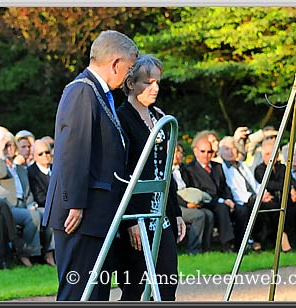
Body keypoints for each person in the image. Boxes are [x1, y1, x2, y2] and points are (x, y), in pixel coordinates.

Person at [42, 30, 139, 301]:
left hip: (94, 213)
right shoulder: (82, 91)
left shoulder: (97, 92)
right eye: (129, 67)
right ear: (116, 63)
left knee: (95, 293)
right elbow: (74, 148)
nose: (129, 75)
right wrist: (75, 202)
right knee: (79, 293)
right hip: (80, 214)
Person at [115, 54, 186, 301]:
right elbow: (122, 172)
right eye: (148, 82)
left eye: (157, 82)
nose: (155, 88)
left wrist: (175, 211)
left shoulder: (158, 115)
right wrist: (130, 221)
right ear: (131, 83)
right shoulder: (121, 118)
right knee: (136, 285)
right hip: (136, 213)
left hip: (161, 212)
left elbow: (166, 169)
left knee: (168, 281)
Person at [0, 131, 43, 266]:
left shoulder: (20, 168)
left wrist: (31, 203)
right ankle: (25, 254)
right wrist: (1, 154)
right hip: (7, 206)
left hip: (24, 204)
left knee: (47, 213)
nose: (9, 148)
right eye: (6, 146)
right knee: (33, 217)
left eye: (11, 145)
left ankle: (48, 253)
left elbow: (28, 191)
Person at [185, 135, 238, 253]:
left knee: (240, 208)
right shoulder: (189, 169)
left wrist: (229, 199)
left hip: (220, 201)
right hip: (204, 202)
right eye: (203, 151)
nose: (206, 155)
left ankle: (243, 242)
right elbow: (196, 191)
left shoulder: (217, 166)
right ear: (195, 152)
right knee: (222, 207)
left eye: (209, 151)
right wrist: (222, 201)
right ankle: (227, 245)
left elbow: (225, 187)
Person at [173, 142, 214, 255]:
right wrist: (187, 204)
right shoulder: (167, 172)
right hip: (177, 205)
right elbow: (171, 194)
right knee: (198, 216)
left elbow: (193, 188)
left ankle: (206, 249)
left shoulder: (184, 171)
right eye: (175, 151)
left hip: (190, 202)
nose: (178, 155)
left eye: (180, 152)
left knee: (208, 214)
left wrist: (196, 202)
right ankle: (193, 250)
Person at [28, 139, 56, 266]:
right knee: (52, 215)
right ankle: (49, 253)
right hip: (40, 206)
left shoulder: (57, 168)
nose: (45, 155)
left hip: (57, 205)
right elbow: (39, 197)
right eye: (41, 154)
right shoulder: (31, 172)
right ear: (34, 156)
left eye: (47, 152)